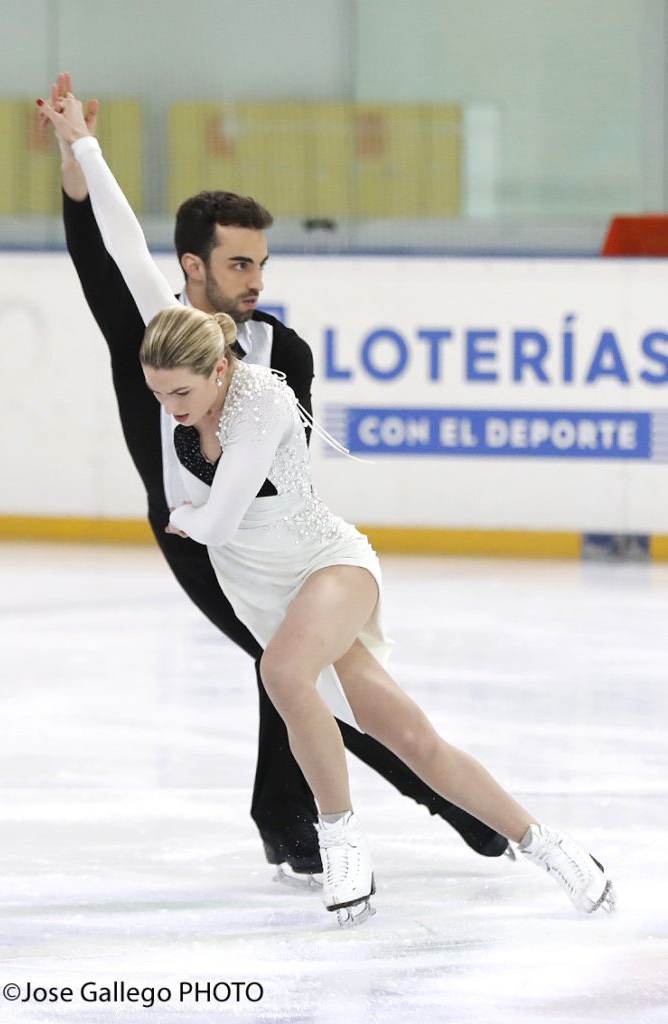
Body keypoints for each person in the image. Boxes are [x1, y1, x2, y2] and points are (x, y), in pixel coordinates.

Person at [40, 91, 616, 929]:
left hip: (300, 554)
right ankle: (542, 842)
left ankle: (333, 835)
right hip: (240, 571)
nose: (165, 404)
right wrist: (83, 146)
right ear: (192, 275)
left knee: (286, 674)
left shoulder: (269, 390)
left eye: (177, 394)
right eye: (155, 391)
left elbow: (235, 503)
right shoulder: (165, 333)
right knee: (390, 723)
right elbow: (119, 244)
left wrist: (192, 520)